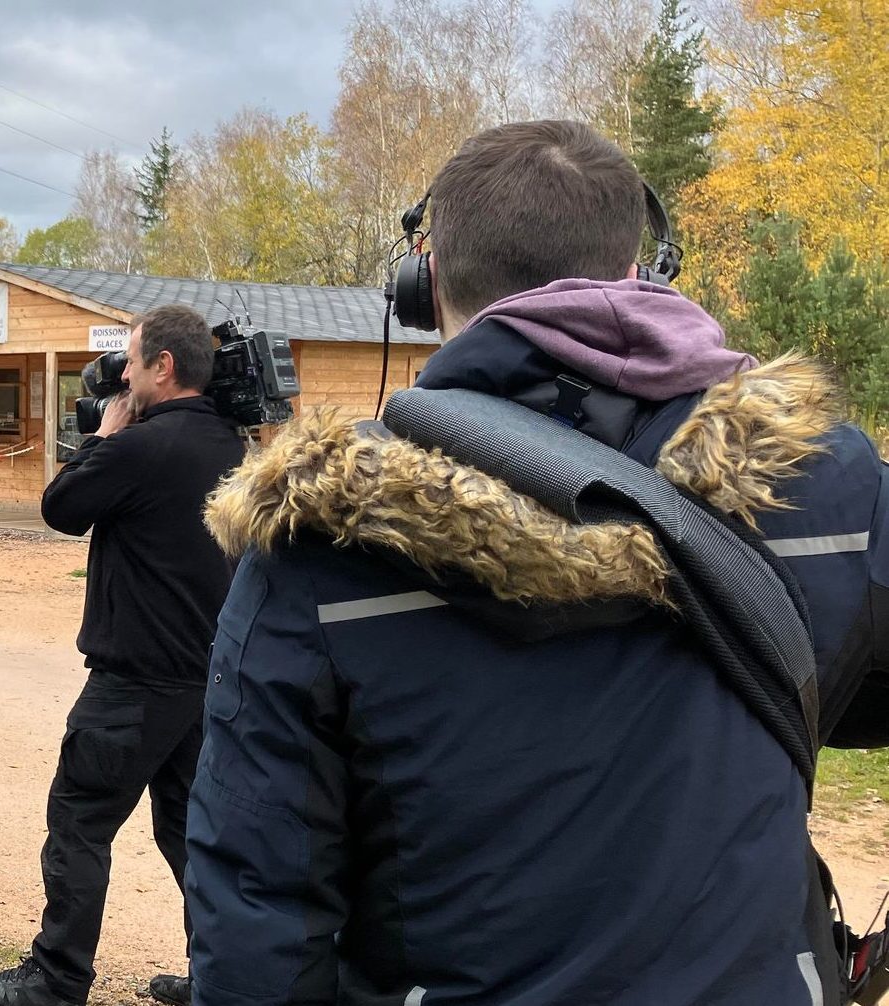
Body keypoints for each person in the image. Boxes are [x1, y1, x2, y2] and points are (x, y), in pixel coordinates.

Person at [188, 119, 889, 1005]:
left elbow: (259, 905)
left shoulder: (321, 537)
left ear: (425, 277)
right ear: (643, 271)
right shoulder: (822, 478)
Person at [0, 304, 246, 1006]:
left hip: (135, 680)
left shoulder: (138, 446)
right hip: (202, 678)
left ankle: (55, 980)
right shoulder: (229, 444)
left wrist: (103, 436)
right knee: (189, 833)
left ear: (163, 366)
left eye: (131, 357)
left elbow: (60, 508)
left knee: (79, 821)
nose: (120, 371)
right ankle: (219, 976)